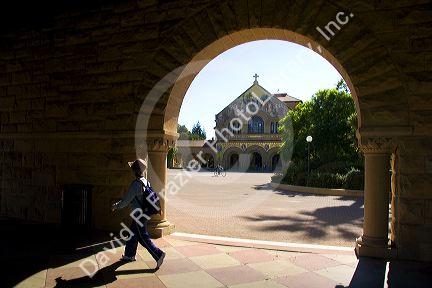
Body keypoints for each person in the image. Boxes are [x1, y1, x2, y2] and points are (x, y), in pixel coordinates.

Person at [111, 158, 166, 268]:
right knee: (132, 234)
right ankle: (129, 255)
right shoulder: (146, 182)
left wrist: (115, 206)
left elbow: (126, 200)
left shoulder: (136, 184)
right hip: (144, 213)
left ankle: (158, 254)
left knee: (143, 237)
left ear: (134, 171)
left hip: (139, 215)